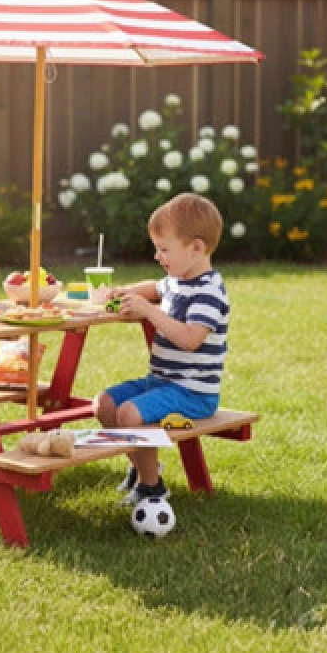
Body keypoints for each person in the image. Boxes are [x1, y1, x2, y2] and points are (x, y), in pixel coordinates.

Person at [94, 192, 230, 505]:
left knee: (130, 413)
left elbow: (190, 339)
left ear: (197, 248)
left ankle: (152, 489)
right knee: (104, 404)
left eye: (164, 249)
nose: (158, 256)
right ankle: (144, 468)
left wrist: (149, 311)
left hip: (194, 392)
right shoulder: (176, 280)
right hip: (162, 381)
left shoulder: (209, 293)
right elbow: (153, 287)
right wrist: (123, 294)